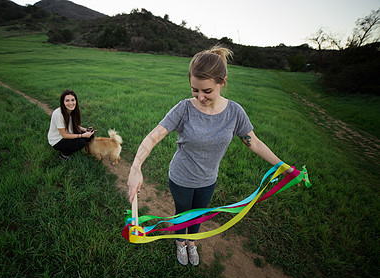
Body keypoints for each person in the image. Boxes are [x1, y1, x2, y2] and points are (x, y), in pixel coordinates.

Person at [127, 46, 296, 266]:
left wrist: (284, 166)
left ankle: (192, 242)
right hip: (181, 178)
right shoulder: (184, 109)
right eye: (194, 90)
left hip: (208, 180)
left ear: (222, 82)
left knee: (199, 215)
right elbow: (153, 137)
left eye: (207, 91)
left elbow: (253, 142)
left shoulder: (235, 112)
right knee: (182, 213)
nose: (200, 97)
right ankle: (180, 242)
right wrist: (135, 167)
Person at [48, 90, 95, 160]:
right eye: (67, 100)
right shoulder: (59, 114)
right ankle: (63, 155)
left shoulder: (72, 111)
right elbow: (64, 135)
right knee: (81, 142)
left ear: (76, 101)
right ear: (63, 102)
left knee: (91, 135)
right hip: (58, 140)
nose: (71, 103)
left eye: (72, 100)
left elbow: (74, 125)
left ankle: (87, 150)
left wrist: (86, 130)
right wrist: (82, 135)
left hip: (69, 133)